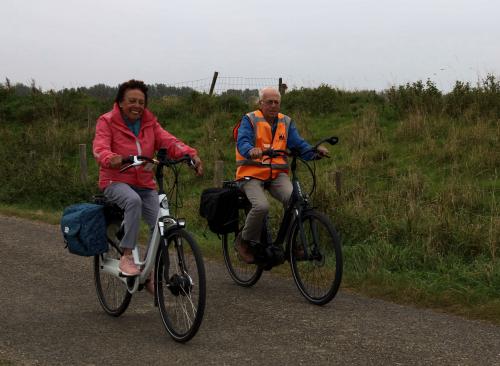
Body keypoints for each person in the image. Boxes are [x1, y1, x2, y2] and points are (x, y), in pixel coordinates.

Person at [93, 79, 203, 281]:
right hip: (115, 180)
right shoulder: (107, 121)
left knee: (162, 223)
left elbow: (169, 141)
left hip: (144, 183)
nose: (137, 106)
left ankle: (149, 272)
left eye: (141, 102)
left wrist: (190, 155)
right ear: (120, 103)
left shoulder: (149, 123)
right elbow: (100, 148)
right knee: (132, 201)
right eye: (132, 101)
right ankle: (127, 256)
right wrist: (111, 158)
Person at [235, 86, 328, 263]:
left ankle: (293, 244)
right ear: (261, 103)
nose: (273, 105)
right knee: (262, 206)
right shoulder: (250, 119)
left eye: (276, 102)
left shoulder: (285, 122)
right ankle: (244, 240)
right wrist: (251, 150)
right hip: (251, 173)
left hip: (277, 174)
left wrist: (314, 152)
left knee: (296, 202)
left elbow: (298, 144)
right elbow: (243, 141)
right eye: (269, 102)